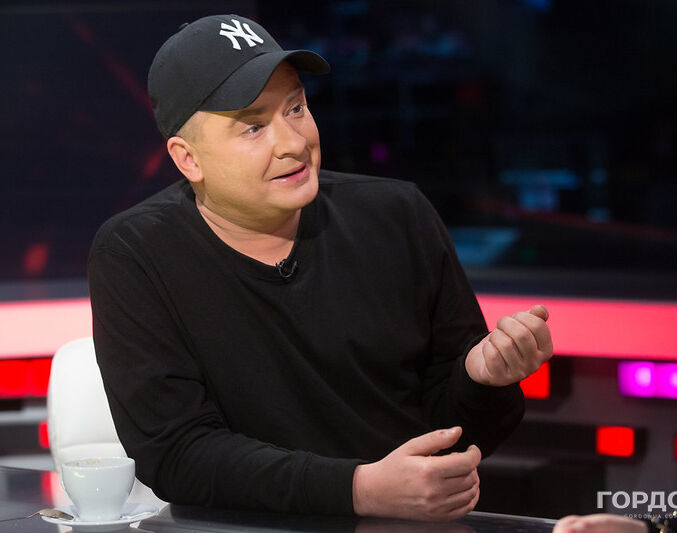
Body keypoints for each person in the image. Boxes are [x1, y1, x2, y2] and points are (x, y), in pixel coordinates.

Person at [88, 14, 553, 521]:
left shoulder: (397, 215)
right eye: (253, 127)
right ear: (188, 159)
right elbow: (176, 454)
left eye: (296, 108)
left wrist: (482, 379)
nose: (293, 143)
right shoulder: (135, 253)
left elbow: (457, 437)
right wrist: (358, 489)